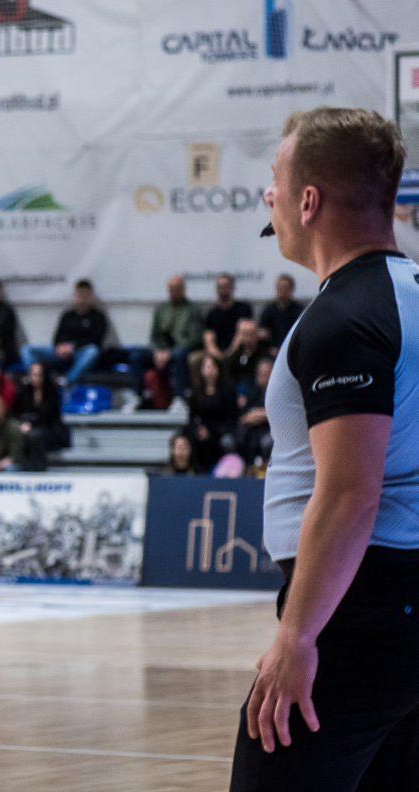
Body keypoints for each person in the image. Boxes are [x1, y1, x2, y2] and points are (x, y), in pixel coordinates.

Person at [231, 107, 419, 791]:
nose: (268, 195)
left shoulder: (344, 318)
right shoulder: (405, 296)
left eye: (276, 181)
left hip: (360, 611)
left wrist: (298, 636)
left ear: (308, 201)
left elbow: (348, 492)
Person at [21, 279, 109, 385]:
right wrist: (61, 347)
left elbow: (96, 340)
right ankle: (37, 379)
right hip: (61, 351)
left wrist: (73, 347)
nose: (82, 299)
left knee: (92, 351)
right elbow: (57, 337)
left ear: (91, 296)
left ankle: (66, 380)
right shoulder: (68, 315)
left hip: (80, 352)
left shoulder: (98, 317)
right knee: (27, 349)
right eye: (79, 295)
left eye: (85, 296)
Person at [146, 273, 204, 401]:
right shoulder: (161, 308)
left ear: (183, 289)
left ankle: (179, 398)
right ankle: (137, 397)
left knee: (179, 357)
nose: (174, 292)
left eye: (177, 289)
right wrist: (157, 351)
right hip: (161, 351)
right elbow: (154, 336)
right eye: (171, 289)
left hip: (180, 350)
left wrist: (170, 353)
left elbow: (194, 338)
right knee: (136, 357)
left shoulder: (192, 309)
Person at [13, 361, 69, 471]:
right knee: (22, 435)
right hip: (26, 428)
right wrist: (23, 424)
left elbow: (50, 417)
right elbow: (17, 414)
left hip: (48, 429)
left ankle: (39, 471)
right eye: (32, 374)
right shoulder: (23, 391)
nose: (34, 377)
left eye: (38, 374)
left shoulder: (52, 392)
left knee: (35, 436)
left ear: (44, 376)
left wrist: (31, 424)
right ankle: (17, 468)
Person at [188, 354, 239, 473]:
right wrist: (198, 430)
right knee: (189, 438)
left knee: (227, 441)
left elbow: (231, 418)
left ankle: (228, 472)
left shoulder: (228, 390)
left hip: (222, 429)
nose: (210, 371)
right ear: (202, 371)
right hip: (204, 430)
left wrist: (212, 432)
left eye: (212, 367)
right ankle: (197, 472)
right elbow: (192, 417)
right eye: (207, 367)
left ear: (218, 370)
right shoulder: (196, 392)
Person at [236, 357, 275, 474]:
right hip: (253, 429)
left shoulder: (277, 393)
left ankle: (265, 469)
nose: (262, 377)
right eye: (260, 373)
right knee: (242, 438)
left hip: (270, 429)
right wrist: (262, 414)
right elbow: (245, 417)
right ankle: (245, 469)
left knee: (266, 442)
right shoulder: (253, 391)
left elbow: (276, 414)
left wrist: (261, 414)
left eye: (266, 373)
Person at [203, 272, 254, 362]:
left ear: (232, 288)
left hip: (238, 352)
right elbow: (209, 338)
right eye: (220, 287)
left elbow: (242, 334)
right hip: (217, 354)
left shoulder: (243, 309)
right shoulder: (212, 313)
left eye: (225, 287)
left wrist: (230, 353)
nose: (222, 290)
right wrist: (218, 355)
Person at [257, 273, 305, 353]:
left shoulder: (299, 311)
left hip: (293, 350)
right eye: (280, 288)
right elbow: (262, 332)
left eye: (285, 288)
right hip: (271, 352)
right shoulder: (268, 311)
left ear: (291, 290)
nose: (282, 292)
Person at [224, 318, 267, 391]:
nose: (248, 338)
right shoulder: (235, 354)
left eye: (251, 334)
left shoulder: (264, 353)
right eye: (245, 334)